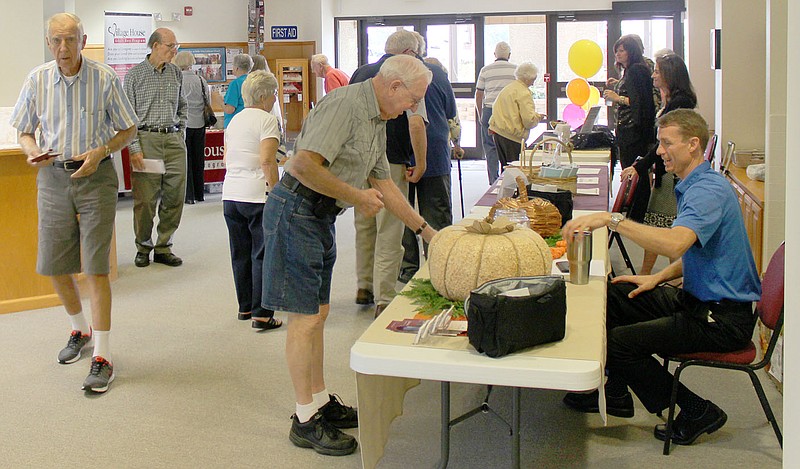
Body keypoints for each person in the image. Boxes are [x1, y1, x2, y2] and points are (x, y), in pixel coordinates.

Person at [261, 55, 436, 456]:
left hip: (320, 216)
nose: (413, 107)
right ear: (393, 87)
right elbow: (303, 165)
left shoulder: (377, 118)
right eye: (412, 99)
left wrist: (424, 231)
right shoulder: (345, 104)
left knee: (318, 315)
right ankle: (305, 418)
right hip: (296, 211)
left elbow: (383, 182)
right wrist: (356, 197)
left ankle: (320, 400)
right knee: (304, 320)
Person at [561, 109, 761, 447]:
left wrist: (611, 220)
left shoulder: (706, 192)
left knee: (622, 343)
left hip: (721, 319)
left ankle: (697, 410)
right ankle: (615, 390)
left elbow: (676, 242)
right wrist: (658, 278)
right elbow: (702, 253)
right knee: (611, 297)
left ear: (693, 145)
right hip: (698, 300)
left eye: (667, 143)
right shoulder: (695, 184)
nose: (660, 151)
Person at [10, 12, 138, 393]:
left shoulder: (104, 78)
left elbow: (128, 127)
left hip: (95, 176)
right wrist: (31, 150)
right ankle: (79, 329)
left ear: (82, 41)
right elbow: (24, 129)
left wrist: (102, 151)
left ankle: (103, 355)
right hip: (52, 178)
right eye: (56, 41)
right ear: (49, 44)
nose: (63, 48)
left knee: (96, 267)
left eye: (70, 40)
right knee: (53, 264)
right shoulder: (37, 79)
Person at [349, 29, 429, 316]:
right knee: (390, 229)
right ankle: (385, 296)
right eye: (417, 54)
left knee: (364, 226)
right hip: (389, 160)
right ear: (407, 54)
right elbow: (415, 123)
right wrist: (419, 161)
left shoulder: (361, 73)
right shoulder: (404, 79)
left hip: (357, 161)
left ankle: (364, 286)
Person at [619, 53, 697, 274]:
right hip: (666, 170)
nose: (653, 74)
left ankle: (669, 278)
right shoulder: (672, 99)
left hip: (673, 173)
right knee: (658, 223)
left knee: (664, 226)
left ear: (669, 75)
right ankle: (651, 273)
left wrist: (639, 166)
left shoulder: (681, 102)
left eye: (657, 71)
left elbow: (665, 144)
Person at [222, 71, 283, 331]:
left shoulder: (233, 121)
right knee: (262, 254)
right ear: (263, 96)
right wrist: (278, 192)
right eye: (274, 94)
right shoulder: (267, 120)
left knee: (240, 254)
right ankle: (262, 314)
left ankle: (245, 307)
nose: (275, 99)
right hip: (257, 195)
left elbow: (227, 158)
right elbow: (268, 161)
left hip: (231, 194)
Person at [124, 28, 188, 268]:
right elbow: (128, 118)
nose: (174, 51)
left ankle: (163, 246)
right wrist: (134, 148)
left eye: (176, 46)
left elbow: (183, 106)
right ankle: (143, 246)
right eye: (170, 46)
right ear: (154, 46)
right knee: (145, 201)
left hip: (173, 142)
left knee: (175, 197)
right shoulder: (134, 76)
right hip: (146, 141)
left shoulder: (176, 73)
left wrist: (180, 132)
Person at [399, 31, 459, 284]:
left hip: (400, 153)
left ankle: (408, 267)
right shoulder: (439, 75)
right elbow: (450, 112)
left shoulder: (394, 75)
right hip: (434, 151)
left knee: (402, 213)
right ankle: (439, 264)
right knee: (436, 214)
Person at [603, 34, 657, 223]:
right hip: (627, 129)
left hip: (634, 132)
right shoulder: (630, 71)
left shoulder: (637, 70)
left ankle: (636, 215)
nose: (617, 54)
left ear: (631, 51)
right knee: (630, 172)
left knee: (636, 174)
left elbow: (641, 103)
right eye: (616, 50)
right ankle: (633, 210)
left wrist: (617, 98)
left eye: (622, 50)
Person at [488, 62, 543, 169]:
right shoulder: (524, 93)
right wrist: (538, 117)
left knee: (505, 170)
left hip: (498, 132)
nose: (533, 83)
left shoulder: (508, 88)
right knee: (516, 171)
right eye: (533, 79)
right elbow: (529, 121)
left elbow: (497, 108)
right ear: (527, 78)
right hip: (512, 136)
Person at [475, 41, 517, 184]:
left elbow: (479, 94)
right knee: (508, 144)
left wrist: (481, 114)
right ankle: (508, 179)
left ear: (494, 55)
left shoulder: (485, 70)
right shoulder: (515, 70)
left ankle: (493, 181)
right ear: (509, 55)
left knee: (490, 146)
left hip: (489, 110)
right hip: (508, 112)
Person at [173, 51, 210, 205]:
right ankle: (200, 193)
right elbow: (207, 100)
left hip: (184, 125)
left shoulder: (177, 80)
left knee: (185, 160)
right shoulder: (201, 80)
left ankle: (189, 195)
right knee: (199, 160)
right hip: (200, 124)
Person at [224, 54, 253, 128]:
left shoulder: (235, 84)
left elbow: (230, 109)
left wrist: (219, 100)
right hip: (250, 122)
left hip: (235, 124)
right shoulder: (254, 81)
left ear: (236, 68)